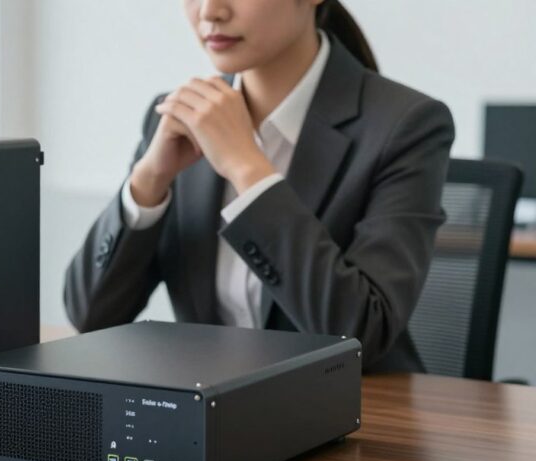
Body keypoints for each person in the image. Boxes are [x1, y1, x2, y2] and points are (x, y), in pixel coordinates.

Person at [63, 0, 455, 373]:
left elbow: (360, 333)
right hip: (217, 416)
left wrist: (247, 170)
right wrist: (148, 181)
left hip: (355, 416)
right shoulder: (178, 118)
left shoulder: (407, 126)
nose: (210, 11)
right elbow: (91, 316)